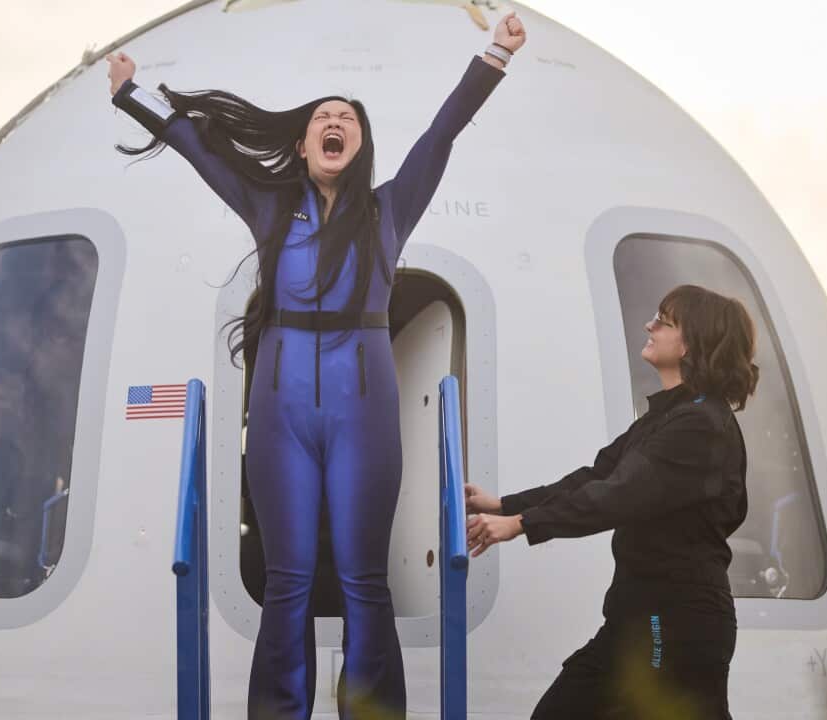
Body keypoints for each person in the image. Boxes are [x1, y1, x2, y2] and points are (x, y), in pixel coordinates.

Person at [106, 13, 526, 719]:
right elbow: (198, 150)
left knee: (365, 579)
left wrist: (496, 54)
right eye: (323, 118)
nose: (336, 122)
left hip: (364, 417)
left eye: (348, 119)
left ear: (357, 145)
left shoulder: (390, 209)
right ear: (303, 145)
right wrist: (131, 95)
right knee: (288, 580)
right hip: (281, 413)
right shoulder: (269, 208)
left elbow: (441, 133)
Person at [465, 284, 758, 719]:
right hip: (635, 620)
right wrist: (504, 504)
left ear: (691, 343)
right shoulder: (669, 416)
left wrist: (524, 523)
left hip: (674, 623)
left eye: (664, 321)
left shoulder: (699, 427)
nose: (649, 326)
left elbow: (618, 496)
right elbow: (596, 476)